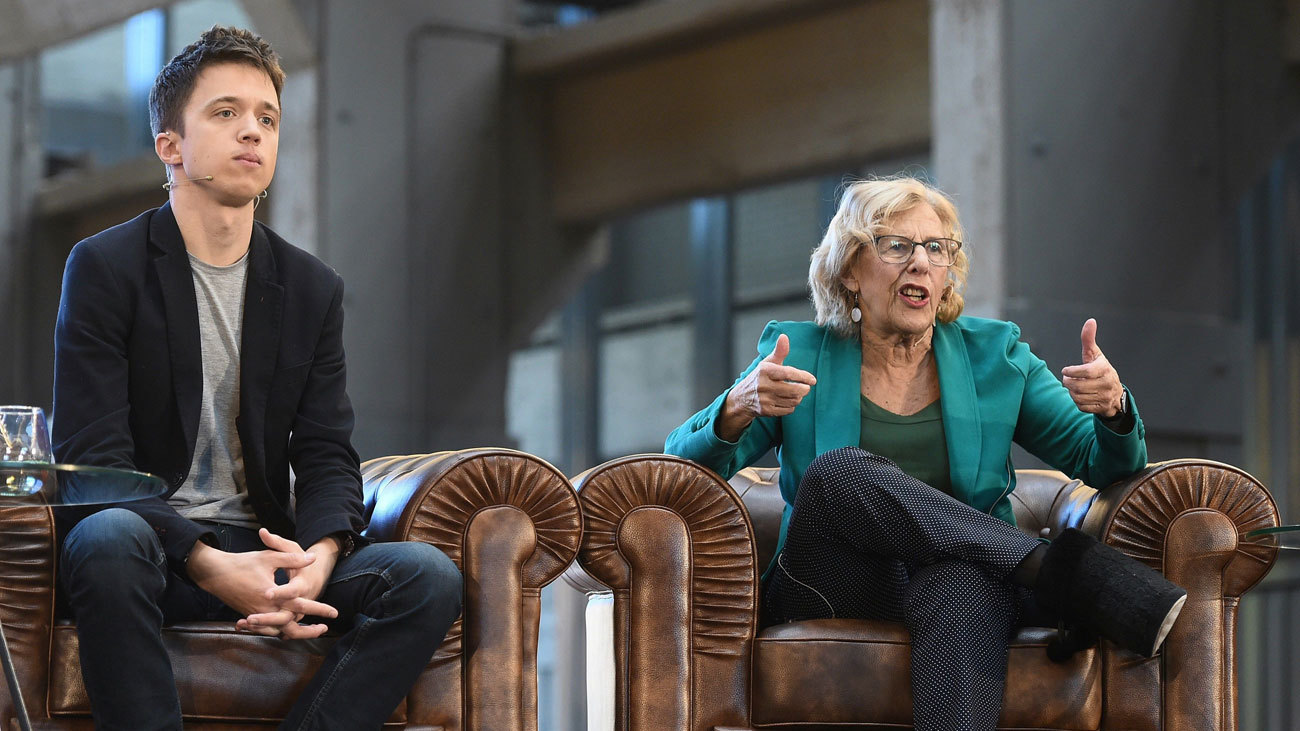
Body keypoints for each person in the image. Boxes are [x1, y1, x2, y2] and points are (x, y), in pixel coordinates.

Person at [665, 176, 1186, 730]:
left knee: (960, 580)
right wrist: (736, 406)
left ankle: (1040, 572)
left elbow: (1106, 466)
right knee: (836, 473)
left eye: (937, 249)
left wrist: (1114, 409)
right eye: (896, 245)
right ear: (849, 270)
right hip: (833, 581)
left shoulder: (997, 357)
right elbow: (684, 468)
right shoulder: (800, 353)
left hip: (964, 578)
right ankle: (1058, 574)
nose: (921, 263)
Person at [51, 26, 461, 731]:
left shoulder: (310, 287)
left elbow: (328, 450)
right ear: (170, 146)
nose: (252, 132)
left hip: (265, 550)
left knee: (427, 578)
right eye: (225, 113)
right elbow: (94, 463)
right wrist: (207, 564)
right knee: (106, 536)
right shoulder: (104, 267)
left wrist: (322, 557)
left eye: (267, 118)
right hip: (153, 550)